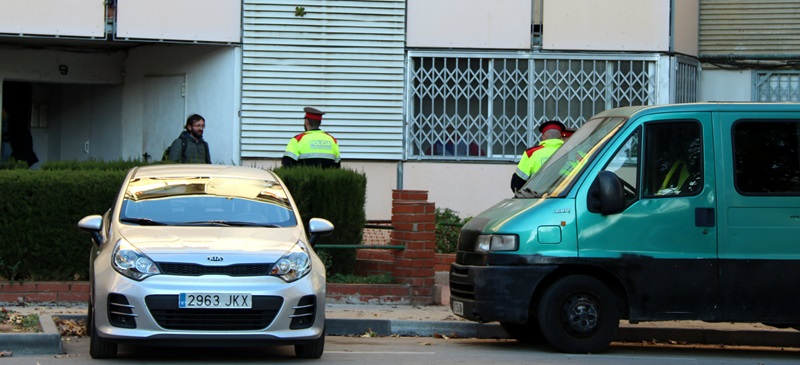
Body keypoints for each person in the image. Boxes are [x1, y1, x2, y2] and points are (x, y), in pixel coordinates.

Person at [510, 120, 566, 193]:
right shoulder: (572, 151)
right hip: (565, 198)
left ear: (543, 137)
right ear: (561, 136)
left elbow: (516, 185)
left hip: (536, 197)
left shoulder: (531, 153)